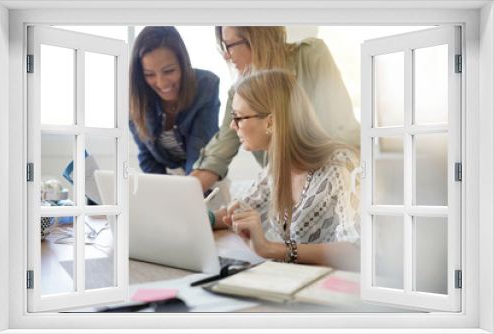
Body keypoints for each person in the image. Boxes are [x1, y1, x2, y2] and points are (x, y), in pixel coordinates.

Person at [208, 70, 361, 270]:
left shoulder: (342, 164)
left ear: (270, 122)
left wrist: (272, 249)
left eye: (238, 117)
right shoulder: (275, 168)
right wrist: (205, 218)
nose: (232, 126)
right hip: (293, 280)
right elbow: (242, 211)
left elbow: (357, 251)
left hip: (335, 289)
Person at [190, 26, 360, 192]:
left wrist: (351, 189)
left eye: (229, 46)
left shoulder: (310, 55)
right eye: (222, 47)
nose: (226, 55)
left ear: (255, 38)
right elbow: (218, 154)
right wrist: (182, 194)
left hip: (333, 184)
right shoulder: (238, 92)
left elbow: (343, 131)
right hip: (287, 193)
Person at [129, 26, 220, 175]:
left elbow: (199, 152)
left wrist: (191, 191)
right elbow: (147, 157)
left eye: (169, 71)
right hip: (169, 174)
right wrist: (162, 192)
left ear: (183, 64)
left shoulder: (206, 86)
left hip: (204, 170)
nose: (162, 83)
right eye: (150, 74)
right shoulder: (136, 100)